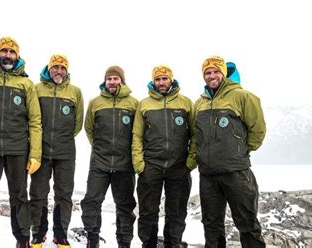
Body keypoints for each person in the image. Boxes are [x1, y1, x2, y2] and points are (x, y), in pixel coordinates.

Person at [190, 56, 266, 247]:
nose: (211, 75)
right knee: (211, 224)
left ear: (224, 74)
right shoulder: (200, 103)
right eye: (207, 72)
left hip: (236, 172)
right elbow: (195, 135)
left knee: (247, 222)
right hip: (208, 174)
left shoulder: (243, 96)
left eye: (216, 71)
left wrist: (239, 152)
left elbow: (258, 130)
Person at [0, 36, 42, 248]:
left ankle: (23, 240)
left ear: (18, 56)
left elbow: (35, 121)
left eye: (12, 52)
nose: (8, 55)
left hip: (18, 149)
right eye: (4, 51)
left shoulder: (25, 84)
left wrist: (35, 154)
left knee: (20, 197)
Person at [132, 65, 195, 248]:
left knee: (176, 211)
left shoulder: (185, 103)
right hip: (151, 166)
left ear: (171, 80)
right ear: (153, 81)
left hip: (179, 167)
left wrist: (190, 162)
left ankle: (172, 244)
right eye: (157, 79)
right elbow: (137, 135)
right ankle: (149, 244)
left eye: (164, 79)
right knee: (148, 211)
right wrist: (139, 164)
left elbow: (195, 135)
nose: (161, 83)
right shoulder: (144, 104)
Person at [30, 54, 84, 247]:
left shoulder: (75, 92)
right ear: (49, 68)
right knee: (38, 192)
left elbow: (78, 124)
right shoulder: (36, 89)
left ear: (67, 70)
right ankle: (38, 232)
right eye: (55, 67)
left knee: (64, 194)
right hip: (40, 151)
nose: (59, 71)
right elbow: (31, 118)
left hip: (66, 152)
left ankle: (60, 234)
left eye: (62, 68)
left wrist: (62, 139)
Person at [81, 66, 138, 248]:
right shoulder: (95, 102)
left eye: (116, 78)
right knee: (91, 201)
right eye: (109, 79)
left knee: (125, 206)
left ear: (122, 80)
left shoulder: (133, 103)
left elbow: (138, 132)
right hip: (99, 163)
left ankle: (124, 242)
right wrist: (100, 147)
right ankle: (92, 239)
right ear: (105, 81)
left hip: (125, 164)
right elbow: (89, 129)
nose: (112, 82)